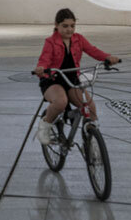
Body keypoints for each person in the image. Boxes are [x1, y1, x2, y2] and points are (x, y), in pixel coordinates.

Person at [33, 8, 120, 145]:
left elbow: (92, 50)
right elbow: (45, 59)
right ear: (56, 25)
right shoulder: (50, 42)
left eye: (72, 26)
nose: (69, 30)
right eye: (65, 26)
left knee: (89, 106)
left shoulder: (78, 39)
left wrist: (107, 57)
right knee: (61, 102)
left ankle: (92, 141)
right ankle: (45, 126)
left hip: (72, 80)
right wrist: (41, 68)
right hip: (53, 80)